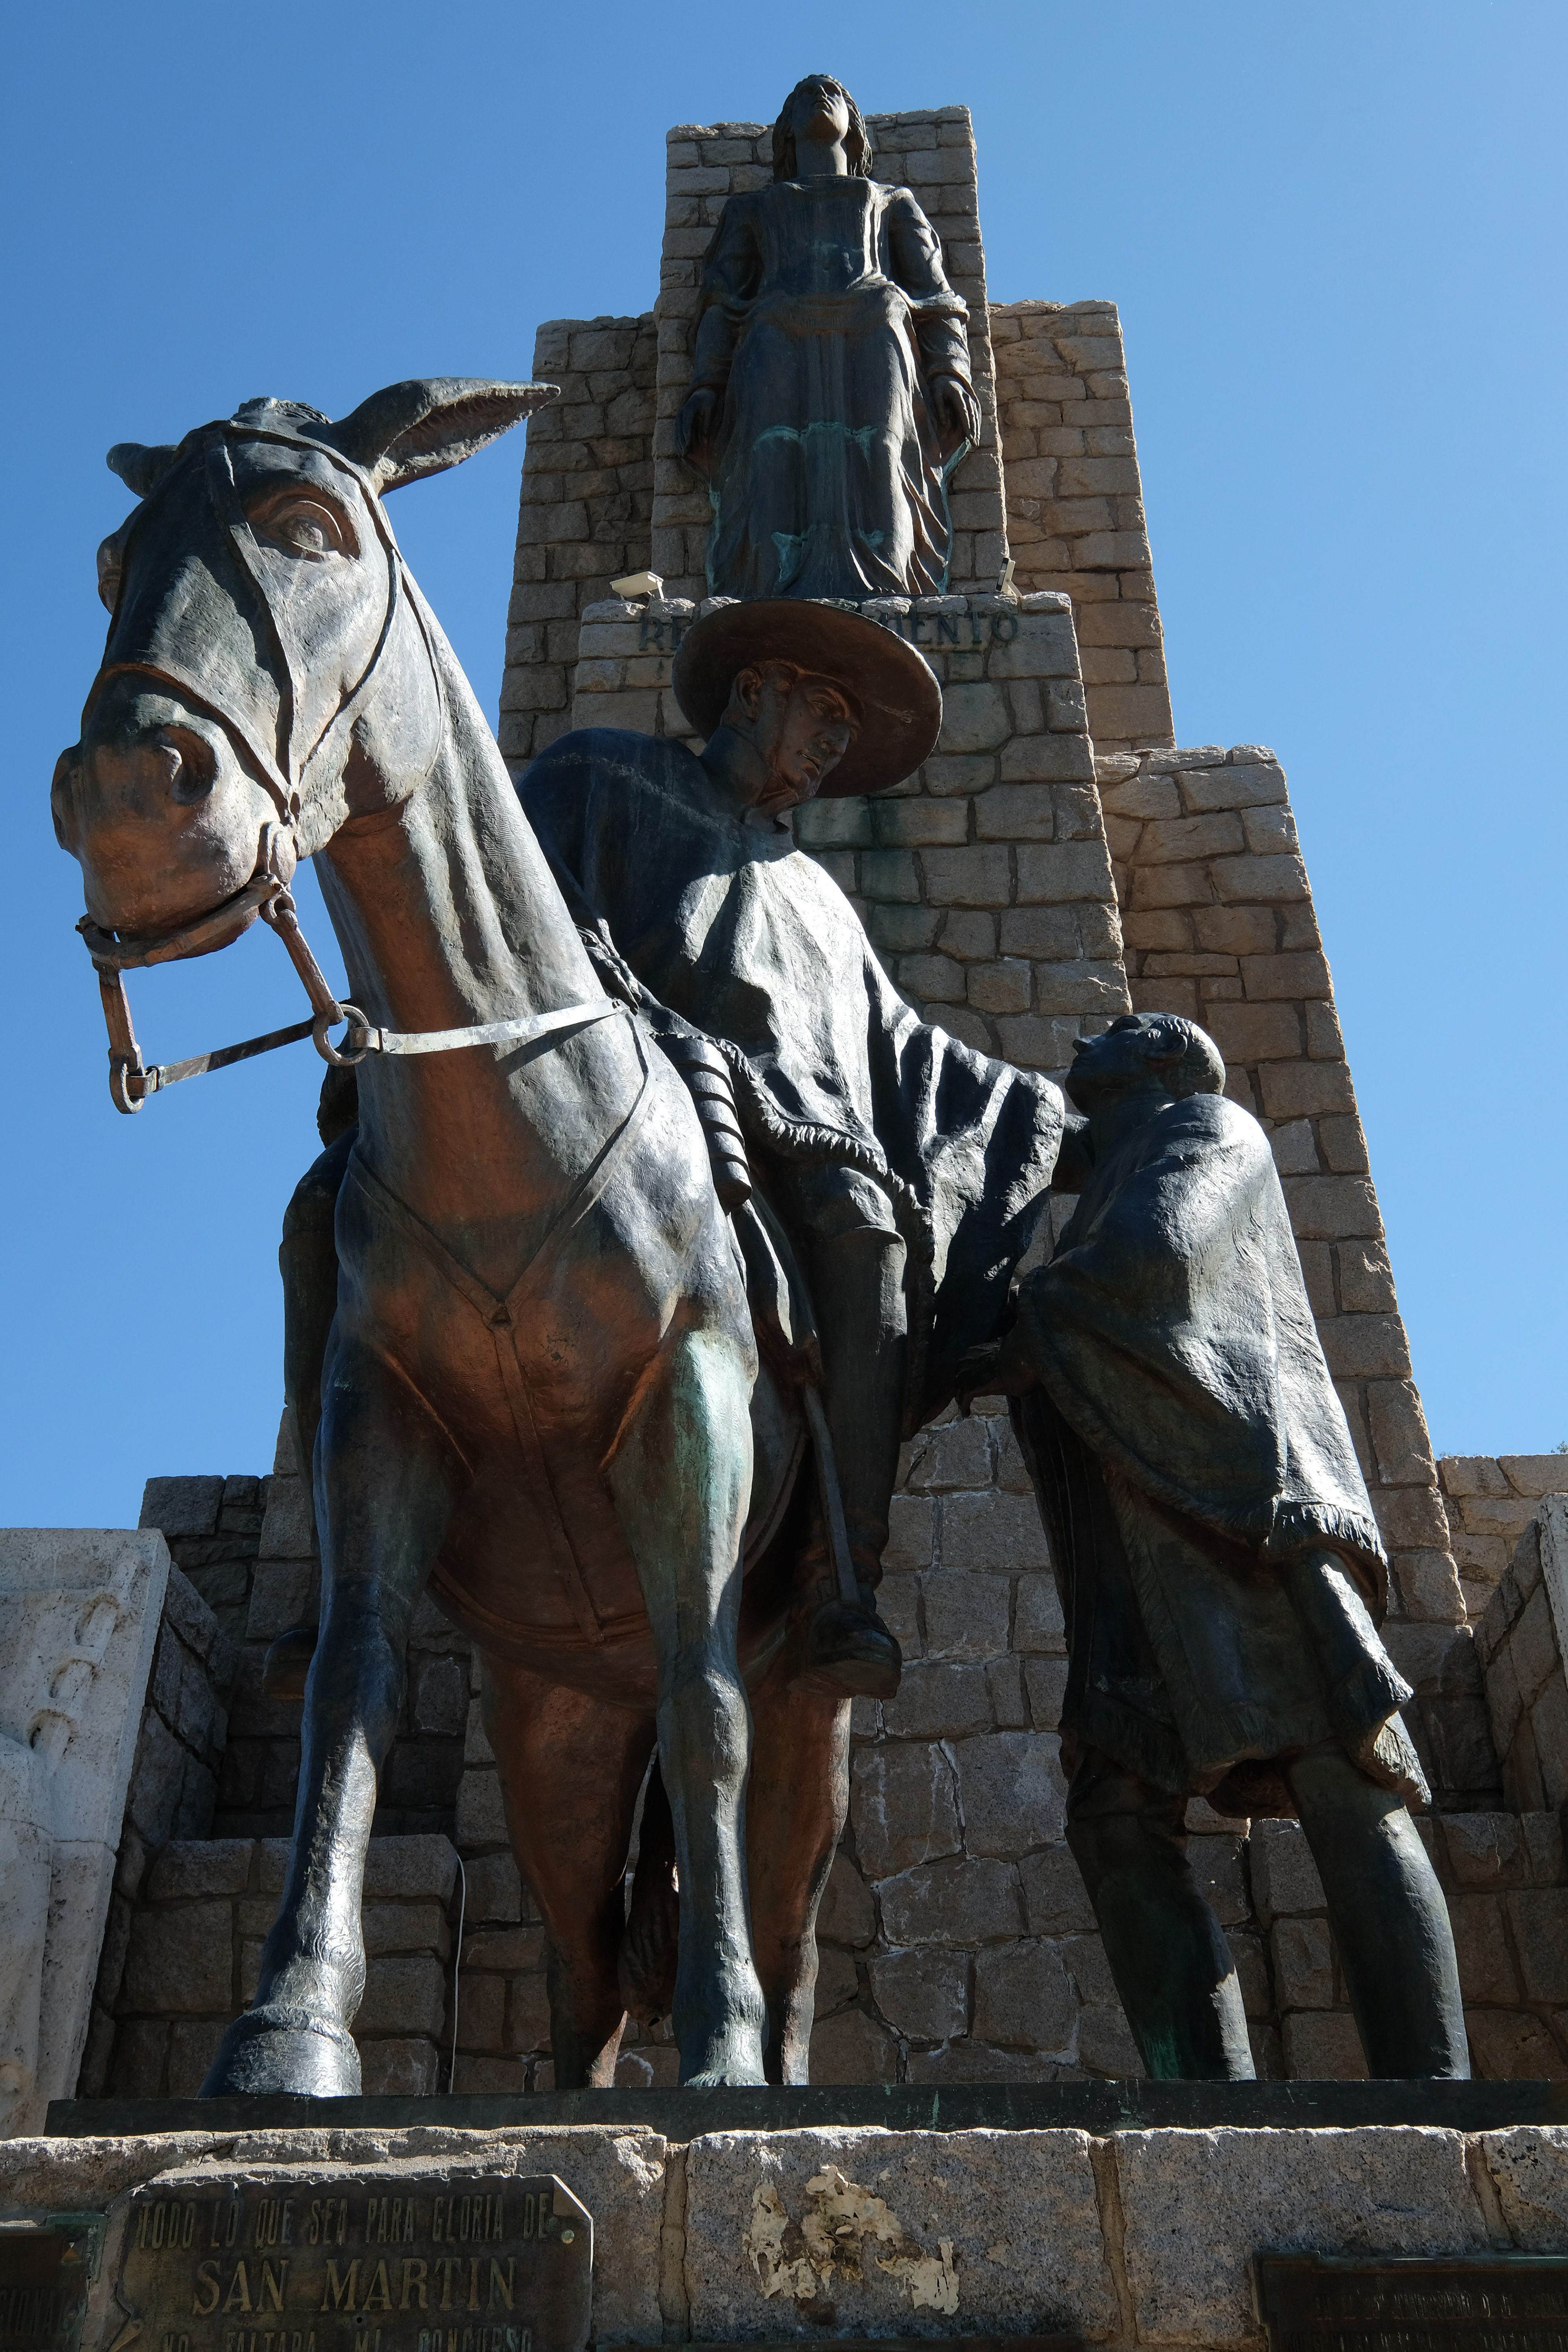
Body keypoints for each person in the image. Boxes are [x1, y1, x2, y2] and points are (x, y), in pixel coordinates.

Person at [522, 598, 1063, 1701]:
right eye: (820, 713)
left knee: (868, 1234)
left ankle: (839, 1573)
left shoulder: (816, 898)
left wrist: (1045, 1117)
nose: (832, 746)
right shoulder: (598, 776)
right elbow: (513, 907)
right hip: (596, 1084)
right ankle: (336, 1591)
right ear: (752, 691)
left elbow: (903, 1048)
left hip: (774, 1121)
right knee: (344, 1204)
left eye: (846, 733)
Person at [957, 1012, 1469, 2080]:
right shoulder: (1101, 1180)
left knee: (1339, 1767)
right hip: (1130, 1539)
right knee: (1114, 1816)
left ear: (1156, 1054)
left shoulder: (1204, 1125)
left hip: (1238, 1507)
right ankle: (1206, 2100)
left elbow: (1153, 1261)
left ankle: (1437, 2091)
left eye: (1107, 1037)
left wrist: (997, 1333)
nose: (1078, 1049)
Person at [677, 74, 982, 601]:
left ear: (855, 129)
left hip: (873, 327)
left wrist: (950, 370)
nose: (820, 95)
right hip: (775, 336)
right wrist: (705, 384)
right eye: (802, 97)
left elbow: (937, 298)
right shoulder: (752, 211)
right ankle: (771, 593)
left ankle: (888, 589)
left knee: (884, 450)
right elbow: (720, 305)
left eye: (834, 94)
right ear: (788, 131)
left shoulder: (891, 201)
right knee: (771, 456)